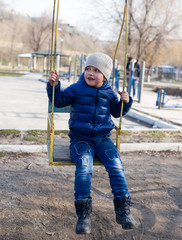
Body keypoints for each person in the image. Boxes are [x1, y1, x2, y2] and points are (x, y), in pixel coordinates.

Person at [47, 52, 138, 234]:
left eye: (96, 70)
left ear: (105, 76)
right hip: (80, 140)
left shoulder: (109, 92)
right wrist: (53, 86)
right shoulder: (77, 88)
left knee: (116, 166)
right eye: (88, 68)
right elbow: (59, 100)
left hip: (103, 140)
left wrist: (125, 102)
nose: (90, 73)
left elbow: (116, 112)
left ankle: (123, 211)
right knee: (84, 168)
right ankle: (84, 216)